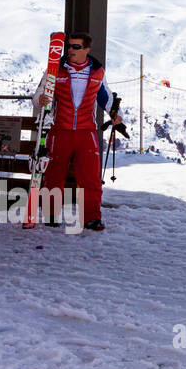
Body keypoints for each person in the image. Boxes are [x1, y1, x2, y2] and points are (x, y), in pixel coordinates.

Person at [35, 33, 122, 231]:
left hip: (86, 131)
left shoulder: (97, 71)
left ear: (86, 50)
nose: (71, 50)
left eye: (76, 47)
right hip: (60, 130)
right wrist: (40, 100)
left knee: (90, 176)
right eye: (69, 47)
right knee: (54, 173)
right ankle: (51, 214)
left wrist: (116, 114)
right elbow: (39, 93)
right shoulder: (55, 70)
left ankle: (92, 217)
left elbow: (106, 96)